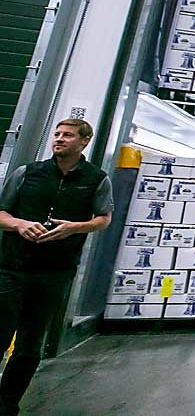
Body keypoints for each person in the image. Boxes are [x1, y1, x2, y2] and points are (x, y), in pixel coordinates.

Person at [0, 119, 113, 415]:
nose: (60, 139)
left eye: (68, 135)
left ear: (84, 141)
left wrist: (75, 228)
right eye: (58, 134)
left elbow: (103, 219)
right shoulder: (28, 173)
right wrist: (19, 224)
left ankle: (7, 405)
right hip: (11, 268)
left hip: (55, 273)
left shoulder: (96, 179)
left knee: (29, 344)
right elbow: (1, 213)